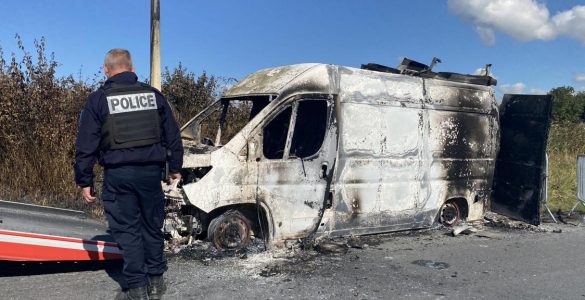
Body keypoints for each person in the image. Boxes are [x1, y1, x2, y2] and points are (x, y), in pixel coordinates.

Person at [74, 49, 183, 300]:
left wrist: (85, 180)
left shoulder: (98, 100)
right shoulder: (154, 96)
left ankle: (136, 288)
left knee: (128, 230)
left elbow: (86, 145)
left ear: (106, 70)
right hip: (150, 175)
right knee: (151, 225)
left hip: (118, 176)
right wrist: (175, 168)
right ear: (132, 70)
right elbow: (173, 136)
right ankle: (156, 282)